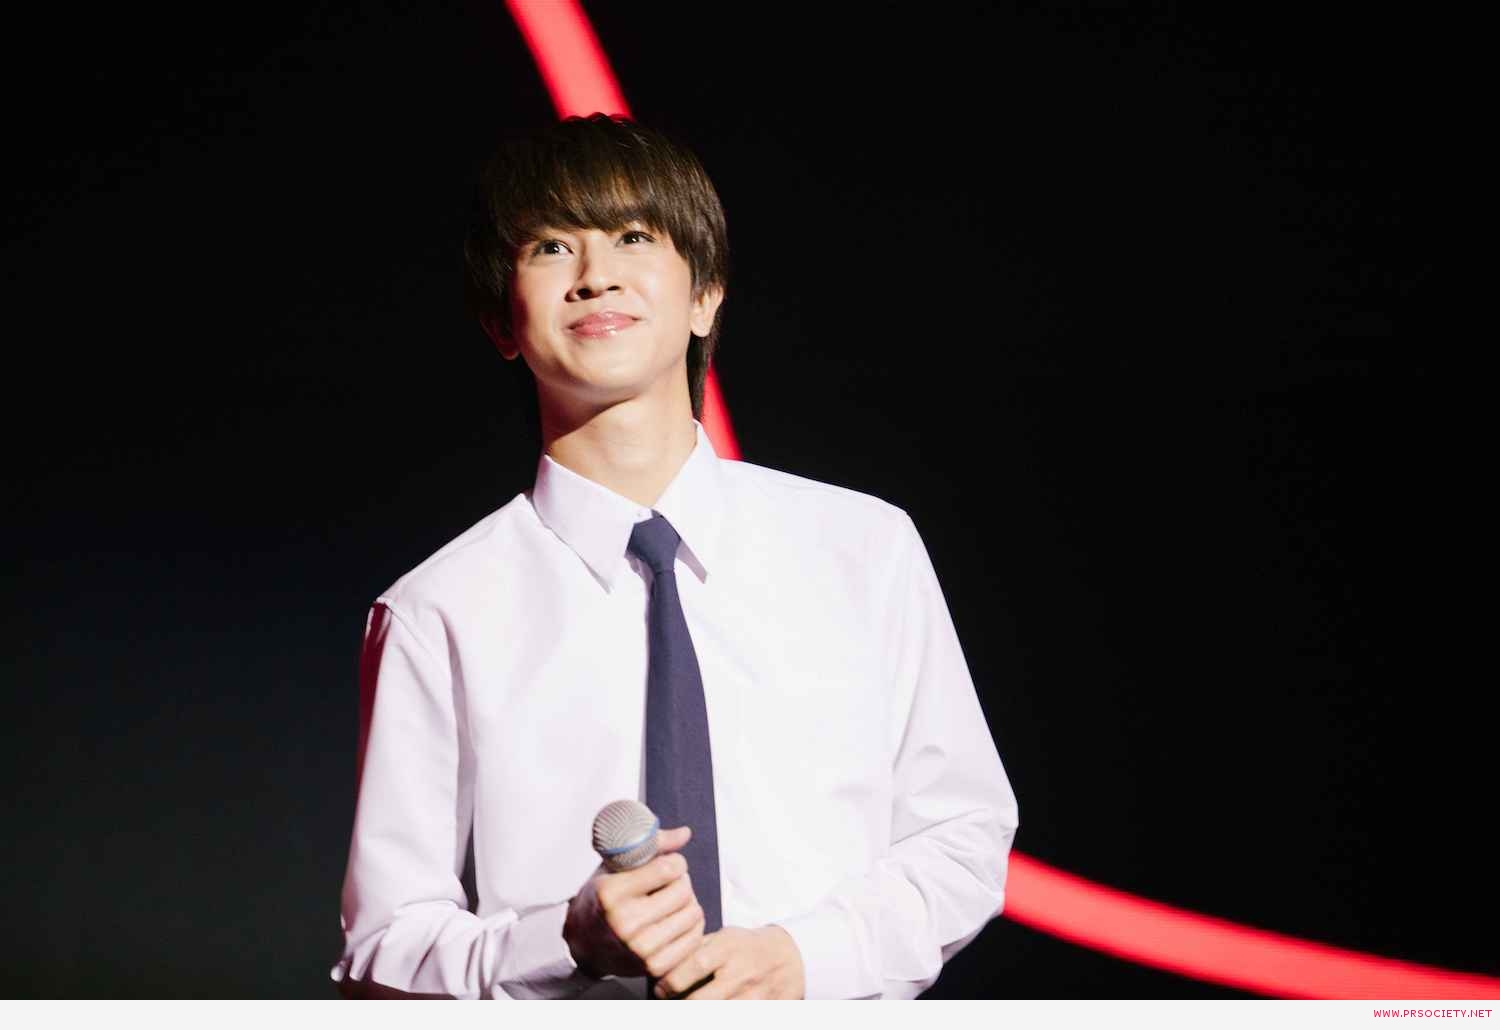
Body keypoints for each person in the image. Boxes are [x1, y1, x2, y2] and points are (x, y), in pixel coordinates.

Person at [330, 114, 1019, 1000]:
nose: (595, 275)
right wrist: (565, 940)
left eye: (632, 236)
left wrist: (806, 958)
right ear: (502, 320)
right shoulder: (438, 611)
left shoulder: (863, 549)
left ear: (705, 297)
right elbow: (382, 948)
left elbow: (961, 837)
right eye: (551, 247)